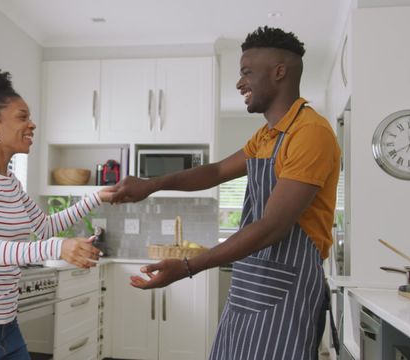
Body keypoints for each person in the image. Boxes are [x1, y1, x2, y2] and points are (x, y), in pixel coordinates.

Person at [110, 26, 340, 360]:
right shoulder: (268, 135)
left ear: (279, 72)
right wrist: (150, 185)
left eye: (247, 72)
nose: (239, 83)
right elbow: (216, 171)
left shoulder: (310, 133)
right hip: (252, 280)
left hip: (287, 285)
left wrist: (189, 266)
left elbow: (273, 226)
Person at [0, 67, 113, 360]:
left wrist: (96, 197)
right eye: (22, 117)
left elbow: (43, 226)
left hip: (7, 328)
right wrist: (59, 247)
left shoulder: (10, 183)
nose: (32, 125)